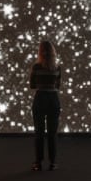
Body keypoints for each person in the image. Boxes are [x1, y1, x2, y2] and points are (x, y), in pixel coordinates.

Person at [30, 40, 62, 172]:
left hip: (40, 99)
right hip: (53, 100)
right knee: (52, 133)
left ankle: (38, 163)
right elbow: (58, 86)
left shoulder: (36, 67)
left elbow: (32, 85)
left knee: (39, 132)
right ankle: (53, 163)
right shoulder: (57, 67)